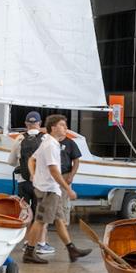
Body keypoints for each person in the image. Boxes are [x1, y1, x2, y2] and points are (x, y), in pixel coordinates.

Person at [22, 114, 91, 264]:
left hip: (49, 188)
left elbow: (32, 159)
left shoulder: (46, 141)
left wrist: (34, 175)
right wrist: (69, 189)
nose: (66, 128)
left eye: (65, 125)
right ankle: (29, 253)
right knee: (40, 221)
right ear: (53, 128)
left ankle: (72, 250)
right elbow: (54, 170)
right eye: (62, 125)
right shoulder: (51, 145)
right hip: (48, 190)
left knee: (59, 220)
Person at [8, 111, 44, 221]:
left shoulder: (19, 139)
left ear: (26, 123)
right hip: (40, 182)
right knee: (38, 213)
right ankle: (38, 237)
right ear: (40, 123)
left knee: (24, 212)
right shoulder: (46, 139)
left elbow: (11, 162)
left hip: (23, 181)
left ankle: (26, 235)